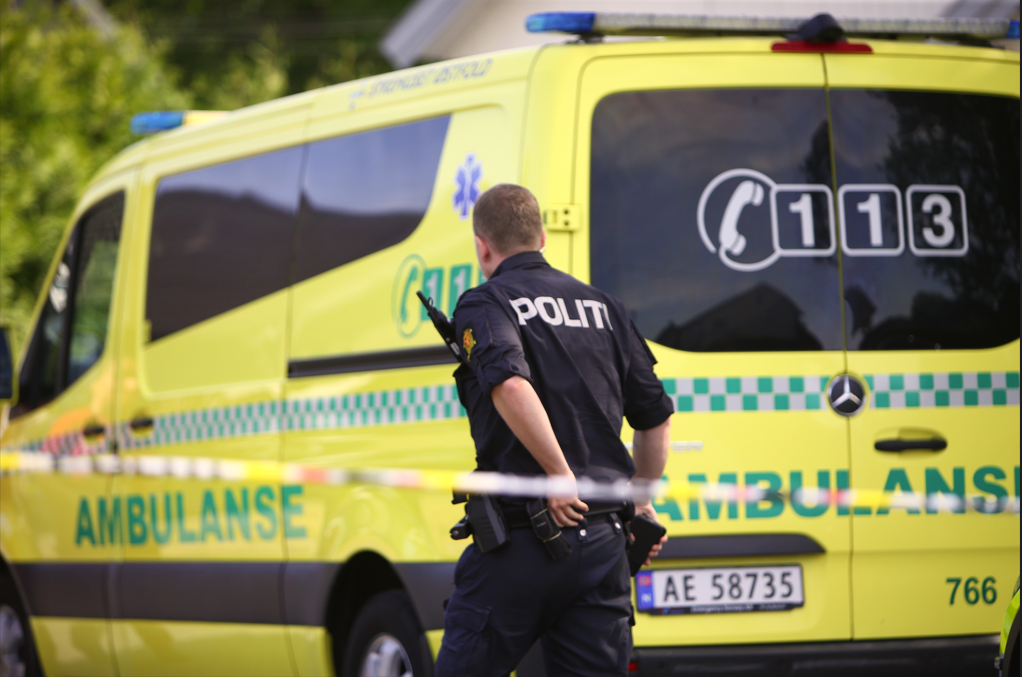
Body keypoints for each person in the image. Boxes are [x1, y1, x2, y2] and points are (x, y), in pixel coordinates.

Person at [434, 184, 674, 677]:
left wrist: (559, 475)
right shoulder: (606, 307)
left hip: (523, 544)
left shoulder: (486, 302)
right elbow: (655, 418)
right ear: (542, 237)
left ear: (483, 246)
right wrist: (640, 499)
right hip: (604, 545)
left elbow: (510, 384)